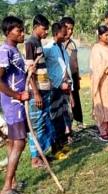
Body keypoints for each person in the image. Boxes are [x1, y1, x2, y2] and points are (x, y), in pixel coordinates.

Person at [0, 16, 31, 194]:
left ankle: (12, 182)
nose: (22, 33)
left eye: (22, 29)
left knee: (13, 141)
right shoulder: (4, 51)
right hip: (13, 104)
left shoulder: (14, 50)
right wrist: (17, 95)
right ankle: (5, 189)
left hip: (16, 103)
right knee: (19, 142)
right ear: (7, 32)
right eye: (18, 30)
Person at [25, 14, 54, 167]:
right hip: (37, 92)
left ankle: (42, 154)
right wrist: (35, 93)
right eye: (44, 29)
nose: (46, 32)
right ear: (36, 27)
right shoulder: (30, 43)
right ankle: (35, 158)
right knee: (36, 125)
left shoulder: (38, 42)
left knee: (44, 122)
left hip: (45, 89)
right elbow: (30, 72)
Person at [44, 22, 73, 158]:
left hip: (63, 87)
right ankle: (55, 148)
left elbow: (63, 68)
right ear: (56, 33)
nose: (66, 34)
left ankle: (61, 144)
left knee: (62, 116)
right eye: (63, 32)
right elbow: (44, 70)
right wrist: (57, 83)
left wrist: (67, 82)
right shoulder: (48, 48)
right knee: (54, 117)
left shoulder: (62, 47)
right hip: (54, 88)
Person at [61, 17, 84, 129]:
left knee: (76, 100)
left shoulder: (73, 44)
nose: (70, 31)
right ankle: (66, 128)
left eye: (71, 29)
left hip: (73, 76)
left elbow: (75, 61)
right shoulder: (56, 43)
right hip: (62, 79)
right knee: (65, 103)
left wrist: (77, 74)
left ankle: (79, 122)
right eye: (67, 28)